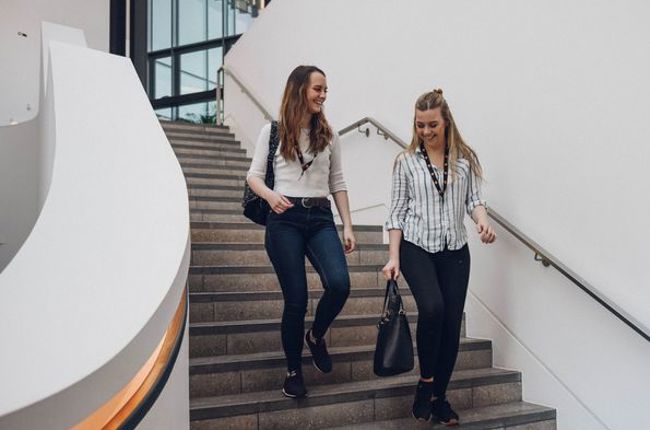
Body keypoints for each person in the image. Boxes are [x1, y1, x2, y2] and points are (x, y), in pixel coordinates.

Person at [382, 89, 496, 426]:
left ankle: (439, 397)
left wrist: (482, 223)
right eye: (420, 125)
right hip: (416, 246)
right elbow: (396, 212)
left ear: (446, 122)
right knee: (432, 308)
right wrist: (393, 257)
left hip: (456, 249)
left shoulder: (464, 159)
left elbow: (475, 200)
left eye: (432, 124)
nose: (426, 131)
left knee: (450, 326)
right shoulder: (406, 162)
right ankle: (425, 382)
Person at [246, 65, 356, 398]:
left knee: (339, 284)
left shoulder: (329, 135)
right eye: (317, 89)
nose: (323, 95)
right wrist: (270, 195)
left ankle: (316, 336)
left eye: (325, 90)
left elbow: (337, 181)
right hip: (285, 220)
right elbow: (253, 176)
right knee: (296, 299)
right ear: (299, 90)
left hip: (320, 218)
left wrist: (347, 224)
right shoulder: (274, 131)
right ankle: (293, 372)